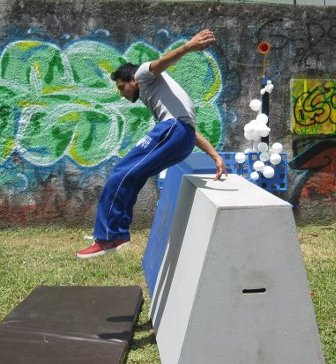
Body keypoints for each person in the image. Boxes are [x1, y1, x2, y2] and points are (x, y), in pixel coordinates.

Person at [77, 29, 227, 259]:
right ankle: (115, 232)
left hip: (174, 130)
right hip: (182, 138)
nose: (122, 94)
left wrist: (188, 47)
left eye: (121, 87)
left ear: (131, 81)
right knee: (133, 176)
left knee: (120, 173)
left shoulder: (142, 75)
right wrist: (215, 155)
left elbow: (161, 63)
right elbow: (191, 132)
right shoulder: (157, 95)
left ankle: (109, 236)